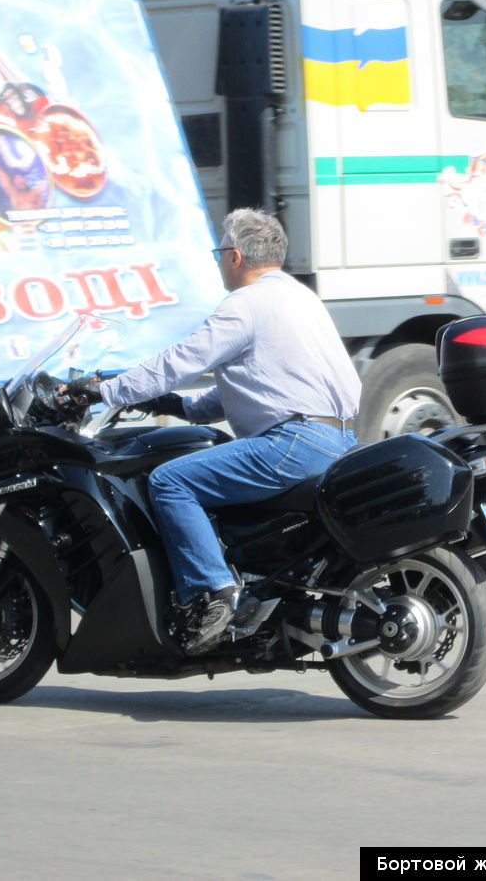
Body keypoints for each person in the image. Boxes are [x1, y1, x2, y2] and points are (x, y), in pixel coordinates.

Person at [70, 209, 360, 654]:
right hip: (337, 438)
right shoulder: (300, 298)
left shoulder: (245, 304)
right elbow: (266, 380)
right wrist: (180, 406)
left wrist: (105, 392)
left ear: (235, 256)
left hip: (293, 442)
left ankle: (212, 593)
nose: (218, 261)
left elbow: (181, 360)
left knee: (170, 480)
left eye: (219, 252)